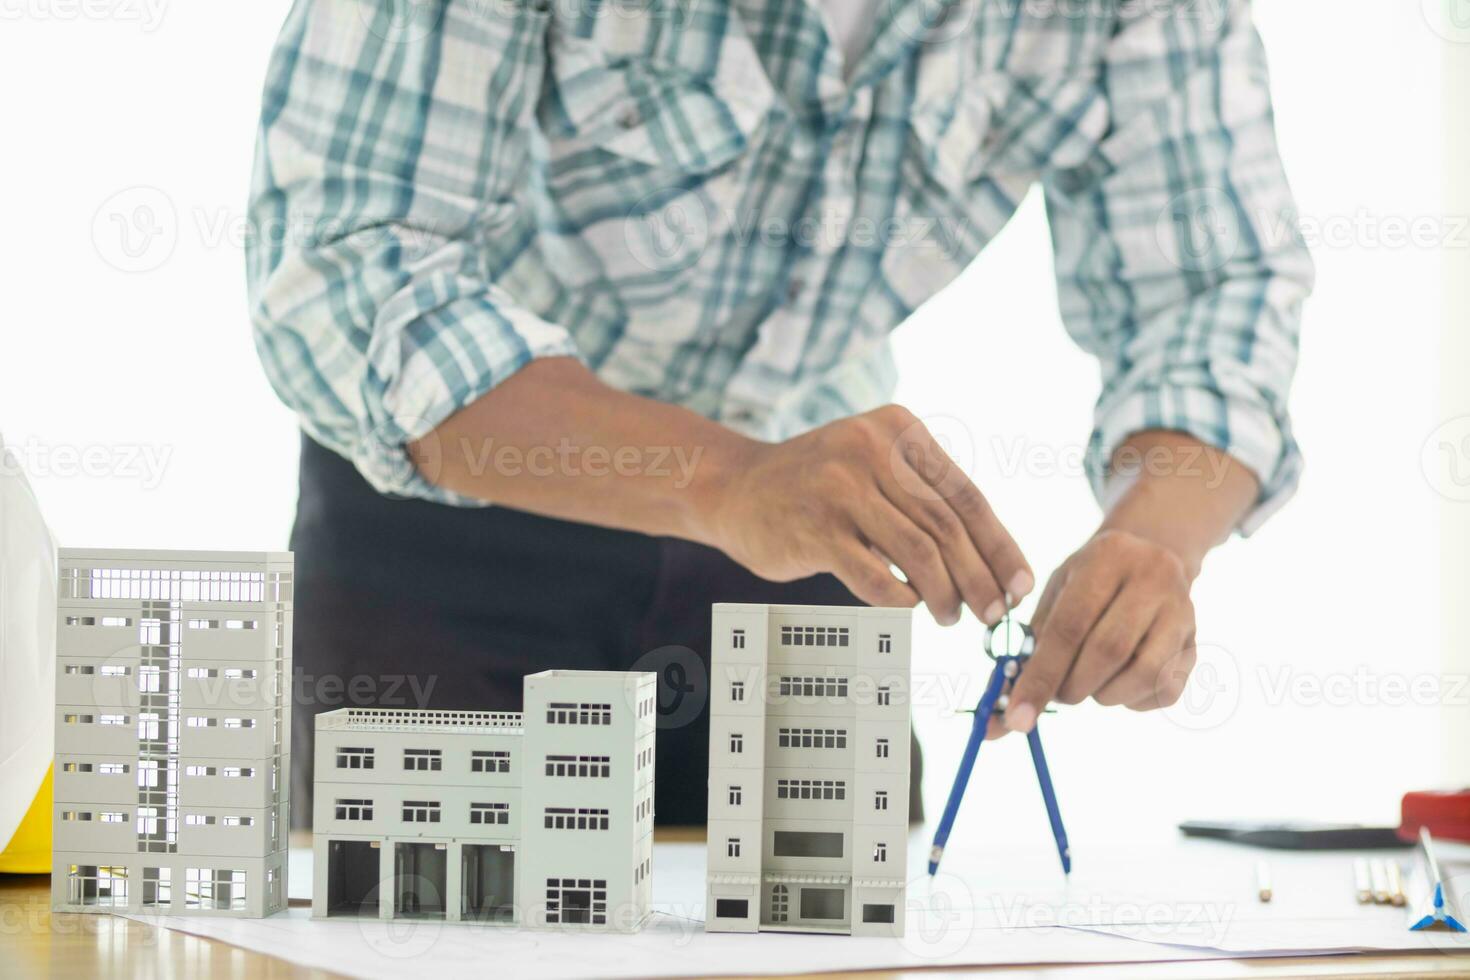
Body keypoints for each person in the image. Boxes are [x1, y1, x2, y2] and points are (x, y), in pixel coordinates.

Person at [246, 0, 1313, 826]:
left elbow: (1215, 290)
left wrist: (1154, 537)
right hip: (463, 503)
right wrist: (722, 480)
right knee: (422, 929)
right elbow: (349, 266)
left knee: (822, 928)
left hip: (815, 531)